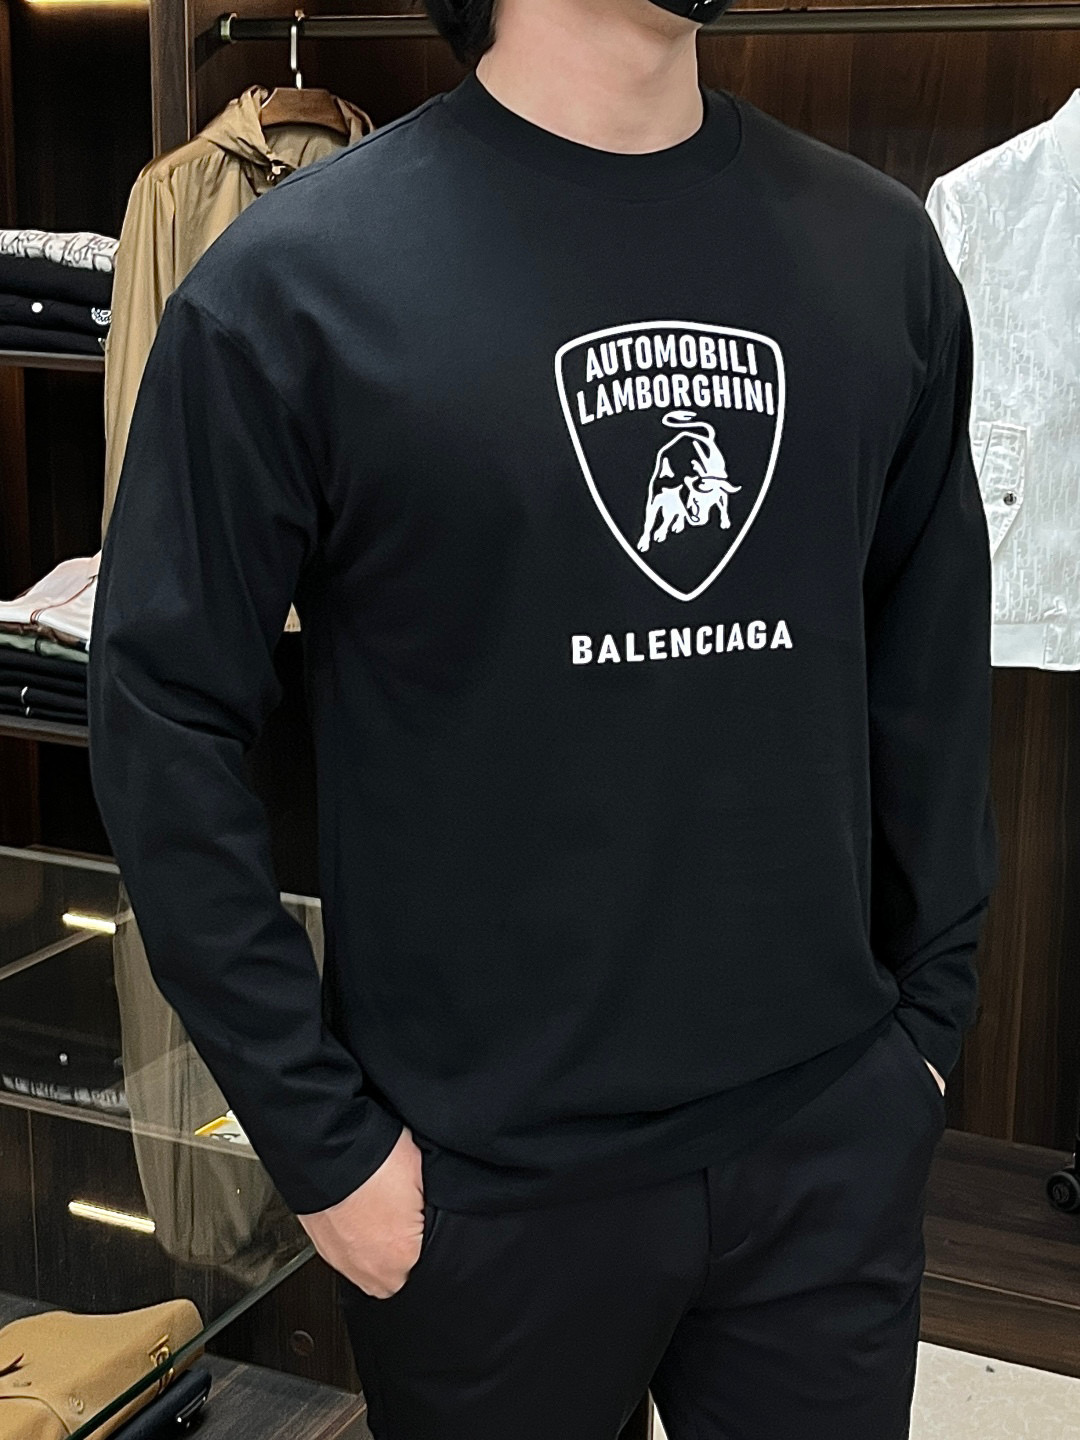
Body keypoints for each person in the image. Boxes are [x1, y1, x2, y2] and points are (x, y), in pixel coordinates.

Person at [87, 0, 999, 1434]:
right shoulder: (298, 282)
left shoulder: (878, 253)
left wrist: (924, 1037)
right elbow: (160, 714)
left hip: (824, 1148)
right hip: (476, 1193)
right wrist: (326, 1146)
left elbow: (931, 670)